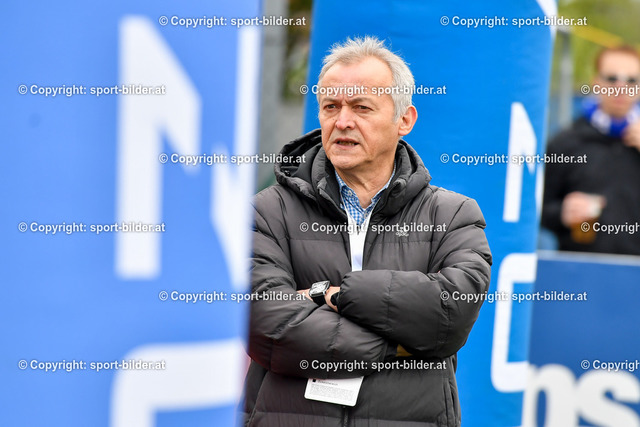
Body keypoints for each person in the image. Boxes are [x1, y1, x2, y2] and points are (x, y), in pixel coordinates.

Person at [242, 36, 492, 427]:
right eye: (331, 106)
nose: (342, 121)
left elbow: (449, 315)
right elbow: (266, 323)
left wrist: (331, 295)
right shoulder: (267, 211)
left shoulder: (453, 214)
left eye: (361, 107)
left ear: (404, 120)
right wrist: (400, 345)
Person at [542, 45, 640, 255]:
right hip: (579, 269)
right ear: (596, 83)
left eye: (631, 81)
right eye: (612, 79)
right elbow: (535, 208)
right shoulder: (566, 143)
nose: (621, 88)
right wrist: (562, 213)